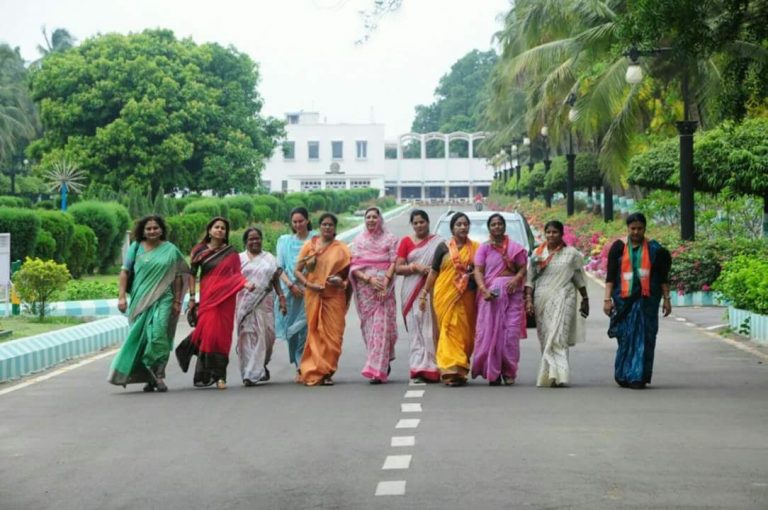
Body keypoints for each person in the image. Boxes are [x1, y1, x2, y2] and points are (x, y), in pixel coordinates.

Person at [108, 215, 188, 392]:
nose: (152, 231)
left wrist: (177, 301)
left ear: (162, 230)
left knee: (159, 333)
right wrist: (121, 297)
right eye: (148, 228)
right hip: (140, 299)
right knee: (143, 337)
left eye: (155, 228)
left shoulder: (170, 250)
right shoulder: (136, 248)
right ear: (142, 231)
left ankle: (158, 375)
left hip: (164, 297)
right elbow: (125, 273)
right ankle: (150, 377)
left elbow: (178, 276)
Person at [176, 217, 256, 390]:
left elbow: (236, 275)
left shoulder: (231, 253)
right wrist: (191, 297)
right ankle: (190, 347)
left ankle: (220, 376)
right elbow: (192, 274)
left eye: (223, 228)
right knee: (209, 333)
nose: (220, 230)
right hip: (208, 296)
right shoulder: (199, 250)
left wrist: (245, 284)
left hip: (226, 298)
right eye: (216, 227)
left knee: (222, 336)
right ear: (210, 230)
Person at [604, 212, 671, 389]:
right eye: (632, 229)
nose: (635, 232)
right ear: (627, 229)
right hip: (623, 301)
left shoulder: (655, 250)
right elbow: (610, 276)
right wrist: (607, 299)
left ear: (645, 229)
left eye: (639, 229)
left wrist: (666, 299)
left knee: (644, 337)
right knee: (626, 337)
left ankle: (638, 375)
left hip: (647, 301)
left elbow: (663, 277)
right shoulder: (618, 247)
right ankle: (623, 374)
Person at [525, 220, 589, 388]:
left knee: (558, 336)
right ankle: (549, 374)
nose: (551, 235)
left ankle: (560, 375)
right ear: (545, 233)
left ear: (561, 234)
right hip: (542, 299)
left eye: (555, 232)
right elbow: (530, 279)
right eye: (548, 232)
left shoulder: (571, 253)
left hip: (564, 296)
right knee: (546, 337)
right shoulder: (537, 254)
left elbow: (578, 277)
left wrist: (585, 299)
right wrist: (529, 300)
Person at [419, 212, 478, 387]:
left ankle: (460, 367)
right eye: (458, 224)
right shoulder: (443, 247)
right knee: (447, 330)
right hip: (444, 295)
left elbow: (482, 270)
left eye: (465, 224)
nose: (462, 227)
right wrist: (424, 292)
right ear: (452, 228)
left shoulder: (476, 247)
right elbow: (434, 272)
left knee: (465, 334)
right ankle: (450, 369)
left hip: (466, 296)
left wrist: (473, 275)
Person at [294, 213, 351, 386]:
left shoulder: (342, 249)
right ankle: (315, 371)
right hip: (313, 294)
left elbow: (348, 277)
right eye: (324, 224)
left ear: (335, 228)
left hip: (334, 297)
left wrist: (340, 282)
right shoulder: (310, 246)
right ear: (319, 227)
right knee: (315, 333)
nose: (327, 227)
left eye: (330, 225)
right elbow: (297, 270)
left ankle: (327, 370)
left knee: (334, 336)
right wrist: (309, 285)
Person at [472, 213, 527, 386]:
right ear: (489, 228)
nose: (497, 227)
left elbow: (523, 268)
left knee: (510, 334)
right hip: (491, 298)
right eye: (493, 224)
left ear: (504, 227)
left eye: (499, 224)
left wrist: (516, 280)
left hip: (513, 296)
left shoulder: (515, 248)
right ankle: (492, 372)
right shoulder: (484, 248)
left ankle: (509, 371)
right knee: (489, 333)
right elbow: (478, 271)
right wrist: (484, 290)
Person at [351, 207, 399, 384]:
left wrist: (385, 281)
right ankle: (377, 363)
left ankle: (377, 366)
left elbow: (395, 261)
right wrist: (369, 279)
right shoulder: (358, 240)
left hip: (384, 290)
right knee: (370, 329)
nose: (371, 220)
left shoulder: (391, 239)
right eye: (368, 217)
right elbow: (354, 266)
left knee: (383, 327)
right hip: (366, 290)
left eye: (374, 217)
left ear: (380, 219)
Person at [395, 209, 441, 383]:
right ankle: (417, 368)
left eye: (422, 222)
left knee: (430, 330)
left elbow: (443, 265)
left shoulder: (438, 243)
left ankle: (433, 367)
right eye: (416, 223)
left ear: (428, 222)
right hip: (410, 290)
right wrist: (415, 267)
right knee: (415, 330)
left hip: (431, 289)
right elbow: (399, 268)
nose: (419, 225)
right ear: (412, 225)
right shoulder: (406, 242)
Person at [237, 227, 287, 386]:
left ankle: (260, 365)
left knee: (268, 336)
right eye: (251, 239)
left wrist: (281, 297)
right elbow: (234, 280)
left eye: (257, 238)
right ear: (245, 242)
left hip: (265, 301)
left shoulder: (269, 258)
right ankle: (249, 373)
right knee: (247, 336)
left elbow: (275, 279)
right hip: (245, 303)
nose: (255, 241)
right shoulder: (239, 259)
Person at [275, 207, 316, 378]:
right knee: (292, 331)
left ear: (307, 220)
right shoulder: (284, 241)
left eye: (301, 221)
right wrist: (291, 285)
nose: (298, 224)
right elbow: (279, 268)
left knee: (307, 330)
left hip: (310, 291)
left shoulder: (316, 240)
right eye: (295, 222)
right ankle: (299, 365)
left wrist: (306, 284)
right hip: (291, 292)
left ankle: (305, 365)